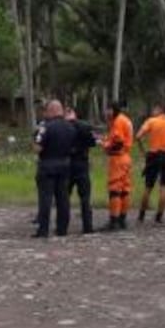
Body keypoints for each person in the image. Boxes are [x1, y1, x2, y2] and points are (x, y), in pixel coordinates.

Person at [33, 100, 75, 238]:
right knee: (63, 198)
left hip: (47, 165)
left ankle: (43, 230)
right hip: (65, 165)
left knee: (45, 199)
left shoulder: (45, 127)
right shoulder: (70, 127)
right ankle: (62, 229)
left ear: (51, 111)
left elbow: (37, 148)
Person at [101, 102, 134, 231]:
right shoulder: (126, 120)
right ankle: (122, 219)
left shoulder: (118, 121)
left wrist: (106, 146)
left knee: (114, 189)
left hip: (118, 158)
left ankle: (114, 221)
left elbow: (118, 142)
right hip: (126, 157)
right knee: (125, 190)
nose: (106, 113)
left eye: (107, 110)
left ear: (112, 109)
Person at [65, 106, 98, 234]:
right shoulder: (85, 126)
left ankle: (62, 226)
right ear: (74, 113)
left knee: (64, 197)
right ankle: (87, 226)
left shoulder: (62, 127)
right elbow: (93, 142)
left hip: (67, 164)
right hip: (82, 163)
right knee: (85, 197)